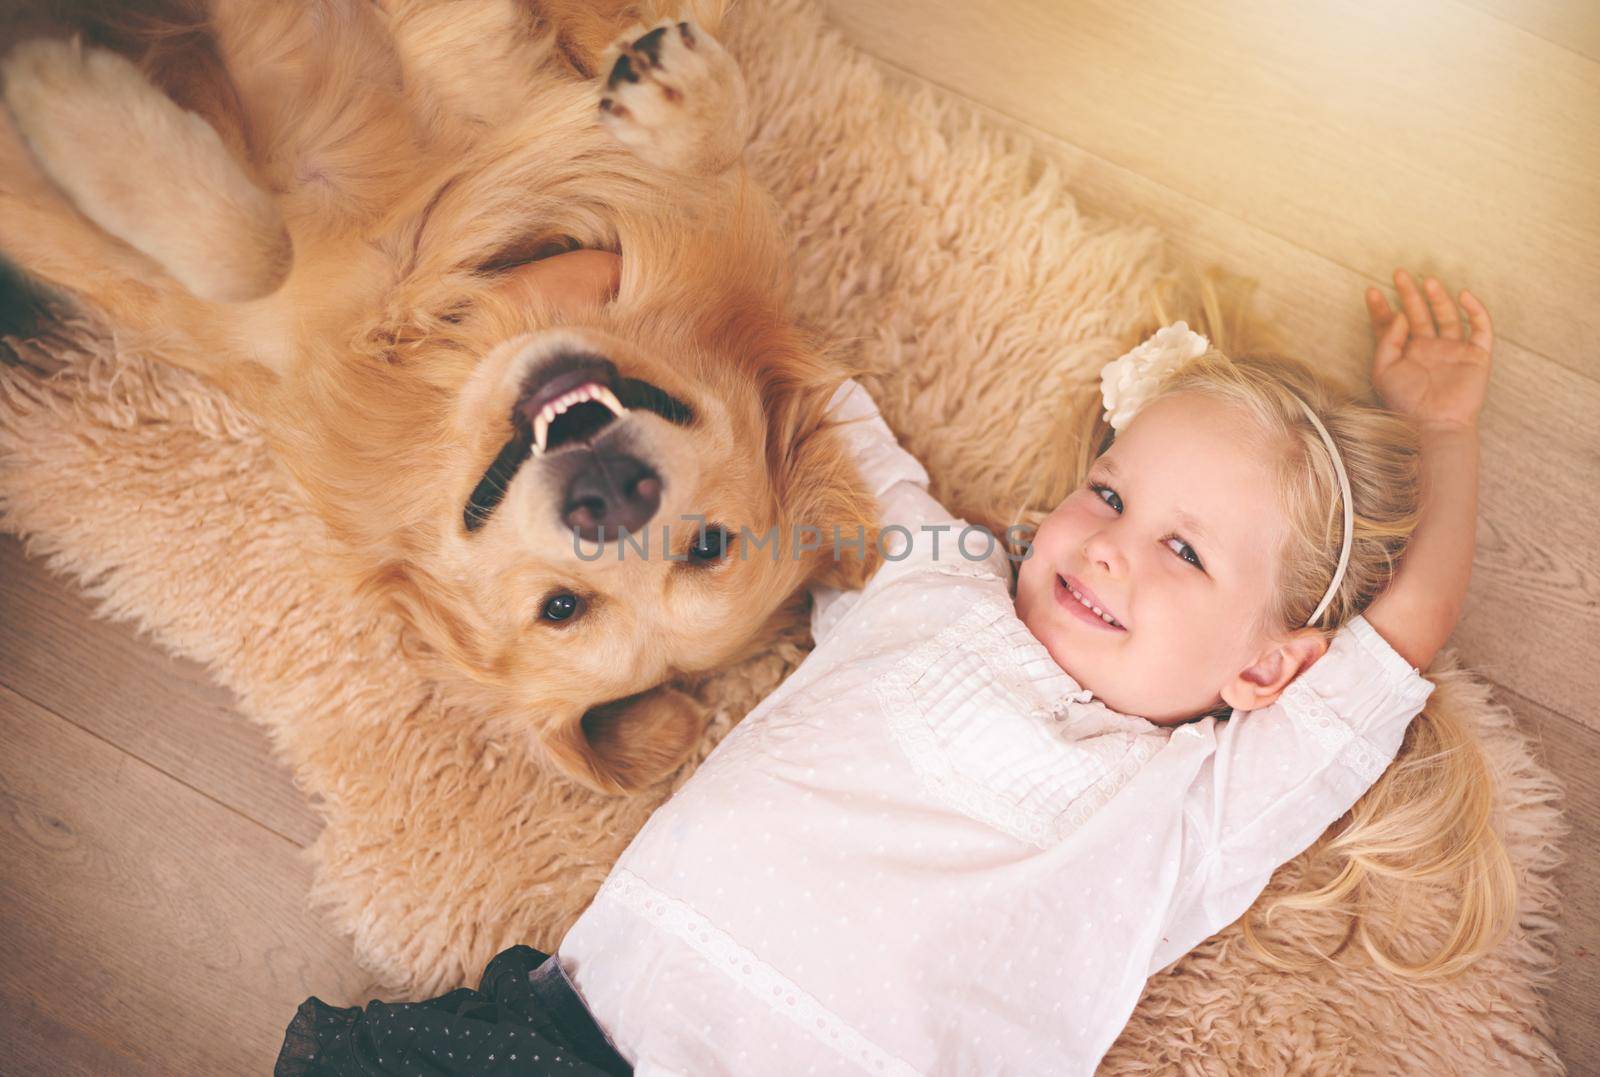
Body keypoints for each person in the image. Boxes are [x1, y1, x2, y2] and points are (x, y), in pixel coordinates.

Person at [277, 261, 1508, 1075]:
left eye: (1181, 550)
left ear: (1269, 668)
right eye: (1109, 493)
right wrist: (642, 280)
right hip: (580, 1037)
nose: (1111, 548)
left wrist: (1441, 430)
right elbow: (818, 406)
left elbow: (1406, 634)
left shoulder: (1191, 809)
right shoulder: (933, 581)